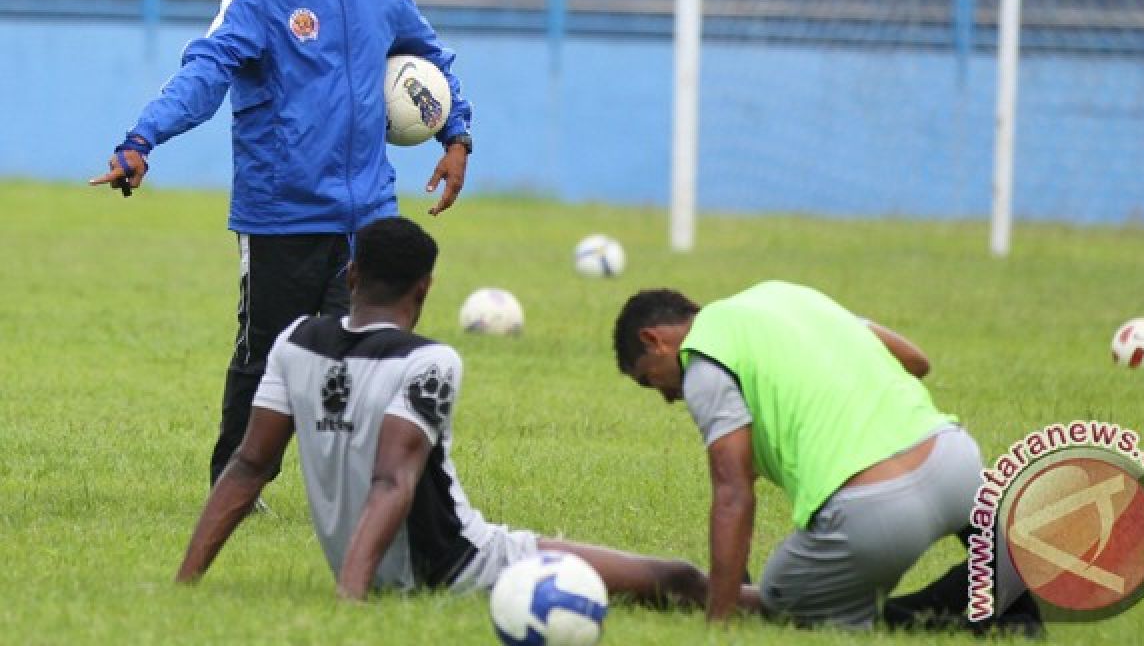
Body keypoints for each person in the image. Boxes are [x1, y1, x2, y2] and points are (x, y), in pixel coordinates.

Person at [89, 0, 476, 490]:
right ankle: (237, 479)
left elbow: (428, 59)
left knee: (365, 351)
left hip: (368, 213)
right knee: (266, 355)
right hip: (281, 211)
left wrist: (456, 135)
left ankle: (363, 486)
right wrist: (142, 139)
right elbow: (207, 68)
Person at [175, 216, 750, 612]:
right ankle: (786, 604)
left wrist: (186, 581)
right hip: (466, 565)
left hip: (419, 562)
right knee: (673, 578)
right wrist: (350, 599)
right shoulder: (430, 360)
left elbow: (249, 466)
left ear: (350, 277)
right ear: (424, 289)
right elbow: (393, 480)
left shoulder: (296, 341)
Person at [611, 281, 1042, 633]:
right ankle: (1014, 611)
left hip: (876, 515)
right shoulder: (787, 297)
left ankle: (916, 621)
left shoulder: (703, 363)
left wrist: (718, 624)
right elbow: (916, 361)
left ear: (656, 341)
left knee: (781, 596)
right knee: (989, 547)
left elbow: (732, 496)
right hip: (958, 464)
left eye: (651, 381)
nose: (668, 397)